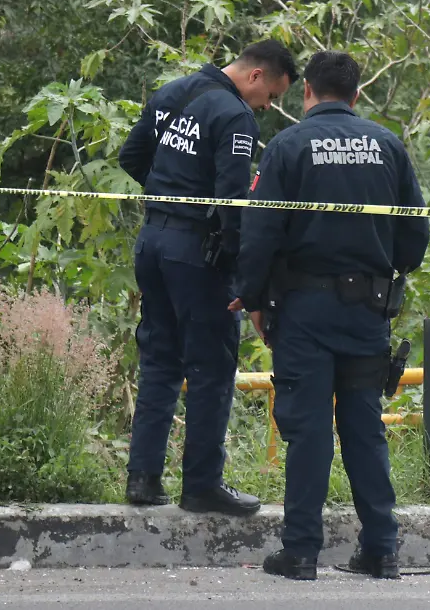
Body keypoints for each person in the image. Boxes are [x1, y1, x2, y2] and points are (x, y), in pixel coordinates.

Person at [228, 50, 430, 580]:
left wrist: (251, 297)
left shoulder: (288, 146)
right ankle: (382, 550)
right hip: (367, 311)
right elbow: (415, 236)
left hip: (304, 310)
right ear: (357, 95)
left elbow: (262, 232)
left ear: (307, 92)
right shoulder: (388, 146)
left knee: (308, 429)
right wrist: (383, 272)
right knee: (364, 427)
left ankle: (300, 553)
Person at [118, 39, 299, 514]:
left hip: (152, 240)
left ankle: (143, 478)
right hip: (196, 252)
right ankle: (201, 484)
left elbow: (131, 157)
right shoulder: (235, 115)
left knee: (159, 359)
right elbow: (233, 202)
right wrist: (244, 278)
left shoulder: (172, 93)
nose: (267, 106)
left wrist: (169, 195)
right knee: (211, 368)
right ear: (257, 76)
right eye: (272, 96)